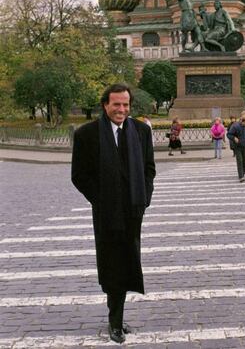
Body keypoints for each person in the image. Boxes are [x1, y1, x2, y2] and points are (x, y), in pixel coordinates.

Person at [71, 84, 155, 344]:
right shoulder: (87, 134)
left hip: (133, 210)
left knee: (128, 263)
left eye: (126, 105)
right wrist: (100, 199)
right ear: (105, 105)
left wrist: (144, 199)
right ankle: (115, 321)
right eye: (116, 104)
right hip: (107, 213)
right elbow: (79, 176)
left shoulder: (141, 131)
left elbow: (149, 169)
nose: (122, 109)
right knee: (112, 265)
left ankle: (116, 316)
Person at [227, 113, 245, 183]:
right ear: (243, 121)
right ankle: (241, 176)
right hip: (237, 146)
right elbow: (229, 134)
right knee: (239, 160)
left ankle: (242, 173)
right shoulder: (235, 126)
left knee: (244, 161)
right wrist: (234, 138)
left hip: (244, 146)